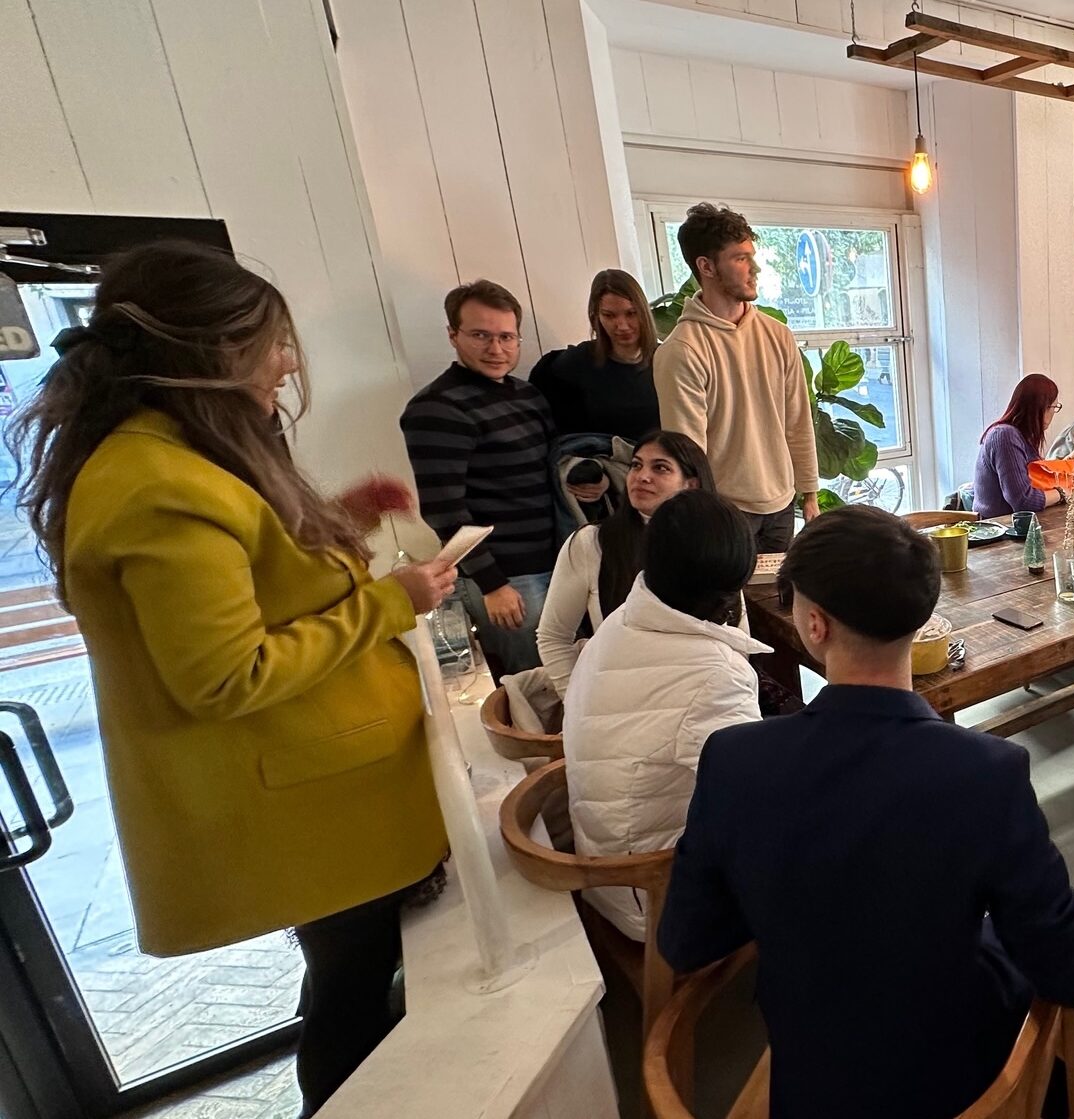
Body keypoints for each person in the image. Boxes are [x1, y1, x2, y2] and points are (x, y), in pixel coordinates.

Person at [12, 242, 454, 1111]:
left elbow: (259, 580)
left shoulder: (182, 454)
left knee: (353, 985)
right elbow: (224, 673)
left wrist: (336, 523)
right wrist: (390, 602)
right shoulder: (153, 482)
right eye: (270, 343)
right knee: (351, 1006)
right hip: (306, 806)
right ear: (206, 351)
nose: (286, 362)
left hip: (326, 795)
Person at [658, 505, 1074, 1119]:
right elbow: (1067, 967)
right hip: (962, 1086)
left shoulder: (734, 761)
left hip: (809, 1083)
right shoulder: (987, 772)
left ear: (814, 625)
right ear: (923, 616)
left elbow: (686, 941)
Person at [561, 490, 768, 941]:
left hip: (606, 867)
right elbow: (757, 808)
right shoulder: (714, 673)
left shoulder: (622, 621)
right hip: (655, 898)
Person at [401, 279, 559, 680]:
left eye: (507, 337)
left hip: (556, 562)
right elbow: (443, 510)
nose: (496, 349)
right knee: (532, 688)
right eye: (480, 336)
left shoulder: (528, 397)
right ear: (453, 335)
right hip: (507, 579)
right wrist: (492, 584)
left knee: (564, 678)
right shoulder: (436, 409)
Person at [654, 203, 820, 552]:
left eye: (751, 256)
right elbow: (689, 452)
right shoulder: (681, 350)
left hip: (781, 505)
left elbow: (797, 421)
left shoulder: (777, 334)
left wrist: (810, 494)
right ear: (706, 266)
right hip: (726, 514)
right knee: (732, 607)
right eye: (741, 258)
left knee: (781, 604)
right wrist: (705, 520)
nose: (754, 267)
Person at [536, 431, 715, 692]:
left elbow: (736, 632)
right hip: (618, 699)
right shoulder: (592, 542)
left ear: (691, 484)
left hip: (701, 699)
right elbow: (553, 637)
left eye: (661, 468)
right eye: (636, 465)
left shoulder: (712, 541)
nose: (642, 476)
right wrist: (579, 702)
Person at [529, 269, 661, 441]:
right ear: (596, 317)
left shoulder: (666, 358)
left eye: (631, 313)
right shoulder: (578, 361)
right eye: (609, 316)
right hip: (603, 462)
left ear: (644, 312)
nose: (622, 326)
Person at [973, 373, 1074, 518]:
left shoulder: (1020, 435)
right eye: (1054, 407)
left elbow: (1039, 477)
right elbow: (1024, 501)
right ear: (1042, 408)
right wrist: (1063, 492)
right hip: (997, 530)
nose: (1053, 413)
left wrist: (1073, 459)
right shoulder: (1005, 436)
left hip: (1016, 525)